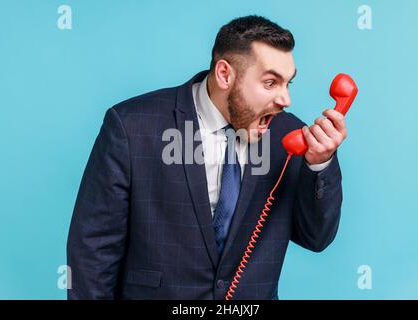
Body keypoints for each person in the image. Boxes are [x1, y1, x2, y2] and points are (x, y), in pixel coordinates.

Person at [67, 15, 347, 300]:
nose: (285, 100)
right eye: (270, 82)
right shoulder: (132, 126)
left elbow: (316, 238)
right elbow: (93, 250)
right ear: (225, 74)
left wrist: (319, 162)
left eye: (288, 83)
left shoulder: (289, 135)